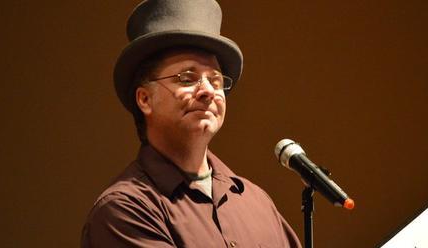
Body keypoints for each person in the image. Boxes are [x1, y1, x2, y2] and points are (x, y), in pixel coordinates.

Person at [81, 0, 302, 247]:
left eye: (216, 81)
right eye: (187, 78)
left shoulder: (257, 202)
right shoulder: (124, 209)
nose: (208, 91)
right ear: (145, 99)